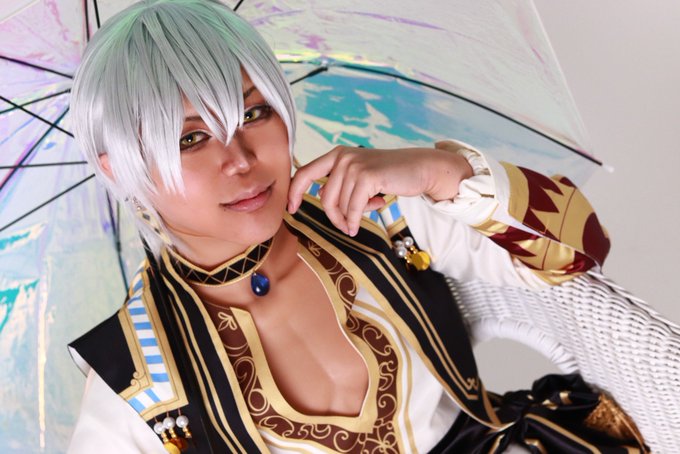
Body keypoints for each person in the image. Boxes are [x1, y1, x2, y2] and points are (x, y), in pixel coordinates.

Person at [67, 1, 647, 453]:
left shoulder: (378, 213)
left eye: (254, 112)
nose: (240, 159)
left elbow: (582, 250)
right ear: (120, 169)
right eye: (190, 138)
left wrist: (441, 171)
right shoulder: (139, 378)